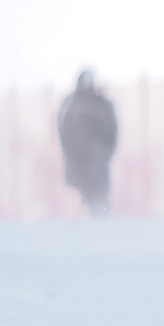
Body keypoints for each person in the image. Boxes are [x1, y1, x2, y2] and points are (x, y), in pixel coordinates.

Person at [57, 69, 120, 217]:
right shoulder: (71, 103)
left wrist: (106, 150)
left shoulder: (101, 104)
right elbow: (63, 128)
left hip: (97, 155)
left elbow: (111, 129)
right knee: (81, 188)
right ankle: (83, 216)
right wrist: (70, 150)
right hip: (78, 156)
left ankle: (100, 214)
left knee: (97, 191)